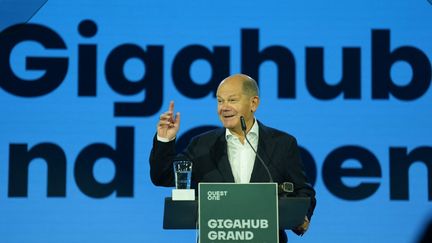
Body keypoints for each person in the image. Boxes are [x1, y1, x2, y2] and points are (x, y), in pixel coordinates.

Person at [149, 74, 316, 242]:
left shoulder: (282, 144)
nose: (224, 107)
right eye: (220, 101)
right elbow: (162, 176)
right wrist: (164, 139)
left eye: (232, 100)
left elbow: (303, 190)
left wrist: (301, 217)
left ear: (253, 103)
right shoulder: (203, 144)